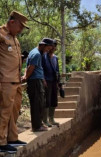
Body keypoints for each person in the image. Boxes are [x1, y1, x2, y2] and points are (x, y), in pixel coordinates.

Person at [0, 11, 29, 153]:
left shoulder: (15, 38)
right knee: (4, 111)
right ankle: (0, 142)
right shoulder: (1, 34)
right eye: (20, 26)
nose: (21, 30)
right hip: (5, 81)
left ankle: (12, 138)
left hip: (16, 81)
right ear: (12, 22)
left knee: (14, 111)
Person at [22, 38, 53, 132]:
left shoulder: (36, 53)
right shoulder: (36, 54)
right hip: (35, 81)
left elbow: (29, 67)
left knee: (40, 103)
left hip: (37, 80)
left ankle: (39, 124)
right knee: (36, 104)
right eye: (47, 48)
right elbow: (31, 68)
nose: (47, 51)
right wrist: (26, 77)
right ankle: (36, 126)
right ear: (43, 45)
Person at [42, 40, 61, 127]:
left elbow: (57, 70)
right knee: (47, 100)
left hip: (54, 81)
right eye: (52, 46)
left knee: (54, 100)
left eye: (55, 46)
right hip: (47, 81)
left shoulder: (55, 58)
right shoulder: (44, 56)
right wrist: (43, 79)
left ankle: (51, 118)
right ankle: (45, 120)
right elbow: (41, 68)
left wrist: (58, 82)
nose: (53, 48)